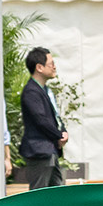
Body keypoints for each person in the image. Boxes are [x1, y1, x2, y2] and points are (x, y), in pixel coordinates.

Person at [17, 47, 68, 189]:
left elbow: (54, 117)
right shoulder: (31, 92)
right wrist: (59, 135)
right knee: (39, 192)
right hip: (39, 151)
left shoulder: (45, 90)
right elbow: (41, 120)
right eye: (51, 64)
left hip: (49, 150)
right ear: (39, 67)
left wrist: (63, 131)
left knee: (56, 190)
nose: (54, 67)